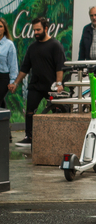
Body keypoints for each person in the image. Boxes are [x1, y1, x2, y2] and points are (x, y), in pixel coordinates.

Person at [11, 17, 66, 147]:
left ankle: (58, 138)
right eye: (34, 30)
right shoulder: (32, 47)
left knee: (56, 111)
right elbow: (25, 69)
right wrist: (16, 83)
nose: (35, 32)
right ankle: (29, 137)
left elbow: (60, 67)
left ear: (46, 29)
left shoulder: (55, 45)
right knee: (30, 111)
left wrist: (58, 84)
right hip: (35, 85)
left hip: (51, 86)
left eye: (38, 30)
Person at [0, 18, 18, 110]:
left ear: (4, 29)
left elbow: (13, 64)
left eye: (0, 26)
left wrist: (13, 81)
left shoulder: (9, 44)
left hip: (3, 77)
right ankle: (4, 122)